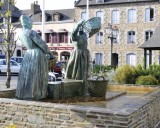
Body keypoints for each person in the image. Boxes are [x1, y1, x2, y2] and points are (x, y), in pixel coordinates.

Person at [16, 15, 54, 100]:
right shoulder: (31, 32)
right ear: (26, 22)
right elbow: (42, 44)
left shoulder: (21, 34)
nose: (32, 24)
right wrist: (50, 54)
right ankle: (37, 94)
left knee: (28, 75)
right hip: (36, 54)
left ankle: (24, 94)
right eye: (30, 22)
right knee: (37, 75)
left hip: (28, 54)